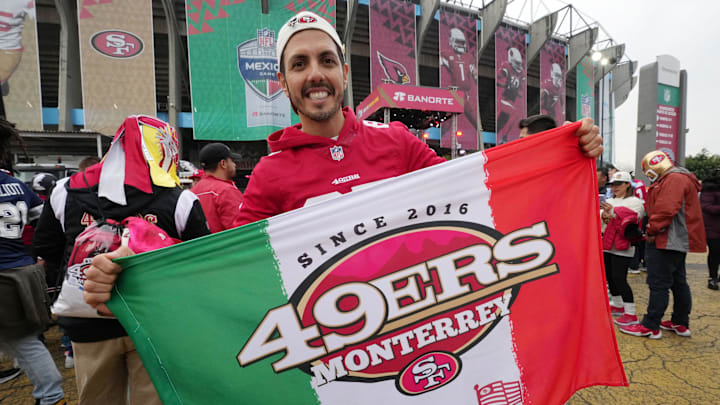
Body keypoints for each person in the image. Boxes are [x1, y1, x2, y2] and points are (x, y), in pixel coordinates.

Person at [81, 10, 603, 318]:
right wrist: (134, 283)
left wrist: (560, 154)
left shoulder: (398, 142)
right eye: (299, 64)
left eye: (326, 60)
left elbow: (482, 185)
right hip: (340, 340)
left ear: (344, 73)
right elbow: (229, 267)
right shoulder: (268, 175)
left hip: (419, 319)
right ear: (282, 83)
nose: (315, 74)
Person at [33, 115, 210, 405]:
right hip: (154, 322)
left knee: (96, 397)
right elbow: (199, 262)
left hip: (86, 318)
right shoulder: (180, 199)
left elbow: (46, 248)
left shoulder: (65, 191)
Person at [0, 119, 66, 405]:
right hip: (23, 271)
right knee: (27, 341)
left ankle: (51, 396)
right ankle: (52, 396)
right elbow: (44, 222)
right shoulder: (15, 185)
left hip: (5, 275)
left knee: (26, 343)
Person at [619, 151, 706, 339]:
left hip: (665, 239)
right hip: (676, 240)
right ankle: (680, 322)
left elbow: (666, 209)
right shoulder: (681, 177)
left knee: (659, 284)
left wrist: (651, 230)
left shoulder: (673, 179)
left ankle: (651, 325)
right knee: (678, 283)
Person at [600, 171, 644, 326]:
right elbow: (603, 221)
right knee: (610, 278)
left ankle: (631, 313)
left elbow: (631, 218)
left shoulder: (634, 201)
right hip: (607, 243)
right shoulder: (609, 200)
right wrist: (604, 215)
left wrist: (611, 212)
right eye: (613, 184)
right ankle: (618, 305)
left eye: (619, 184)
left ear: (627, 184)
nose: (615, 187)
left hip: (623, 245)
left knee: (620, 278)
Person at [191, 143, 244, 233]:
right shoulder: (226, 191)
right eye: (232, 161)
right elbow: (239, 230)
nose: (234, 165)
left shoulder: (192, 192)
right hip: (225, 246)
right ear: (223, 163)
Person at [440, 27, 478, 131]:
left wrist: (475, 76)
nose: (461, 45)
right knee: (449, 121)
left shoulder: (468, 57)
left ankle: (482, 141)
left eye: (462, 43)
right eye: (458, 42)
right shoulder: (446, 55)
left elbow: (474, 71)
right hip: (455, 93)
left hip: (465, 95)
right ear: (452, 41)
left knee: (475, 121)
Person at [701, 168, 720, 290]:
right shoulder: (709, 189)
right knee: (715, 253)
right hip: (713, 228)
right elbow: (706, 207)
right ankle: (712, 277)